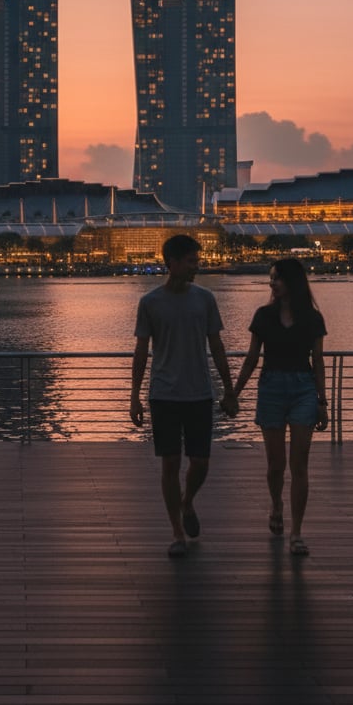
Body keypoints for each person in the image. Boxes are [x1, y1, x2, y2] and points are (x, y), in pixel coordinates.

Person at [130, 234, 239, 559]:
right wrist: (134, 396)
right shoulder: (150, 302)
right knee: (170, 463)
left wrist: (229, 389)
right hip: (163, 393)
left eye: (197, 260)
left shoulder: (205, 299)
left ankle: (187, 501)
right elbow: (141, 352)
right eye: (191, 261)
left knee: (200, 462)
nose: (197, 267)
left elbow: (216, 346)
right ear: (172, 263)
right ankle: (177, 532)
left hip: (199, 393)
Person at [234, 258, 329, 556]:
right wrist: (234, 393)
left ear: (292, 282)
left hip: (303, 388)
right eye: (271, 277)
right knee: (276, 464)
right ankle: (276, 504)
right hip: (271, 387)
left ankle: (296, 532)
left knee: (299, 465)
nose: (271, 283)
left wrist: (322, 401)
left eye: (276, 278)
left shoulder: (312, 318)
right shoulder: (263, 316)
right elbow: (252, 358)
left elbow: (318, 361)